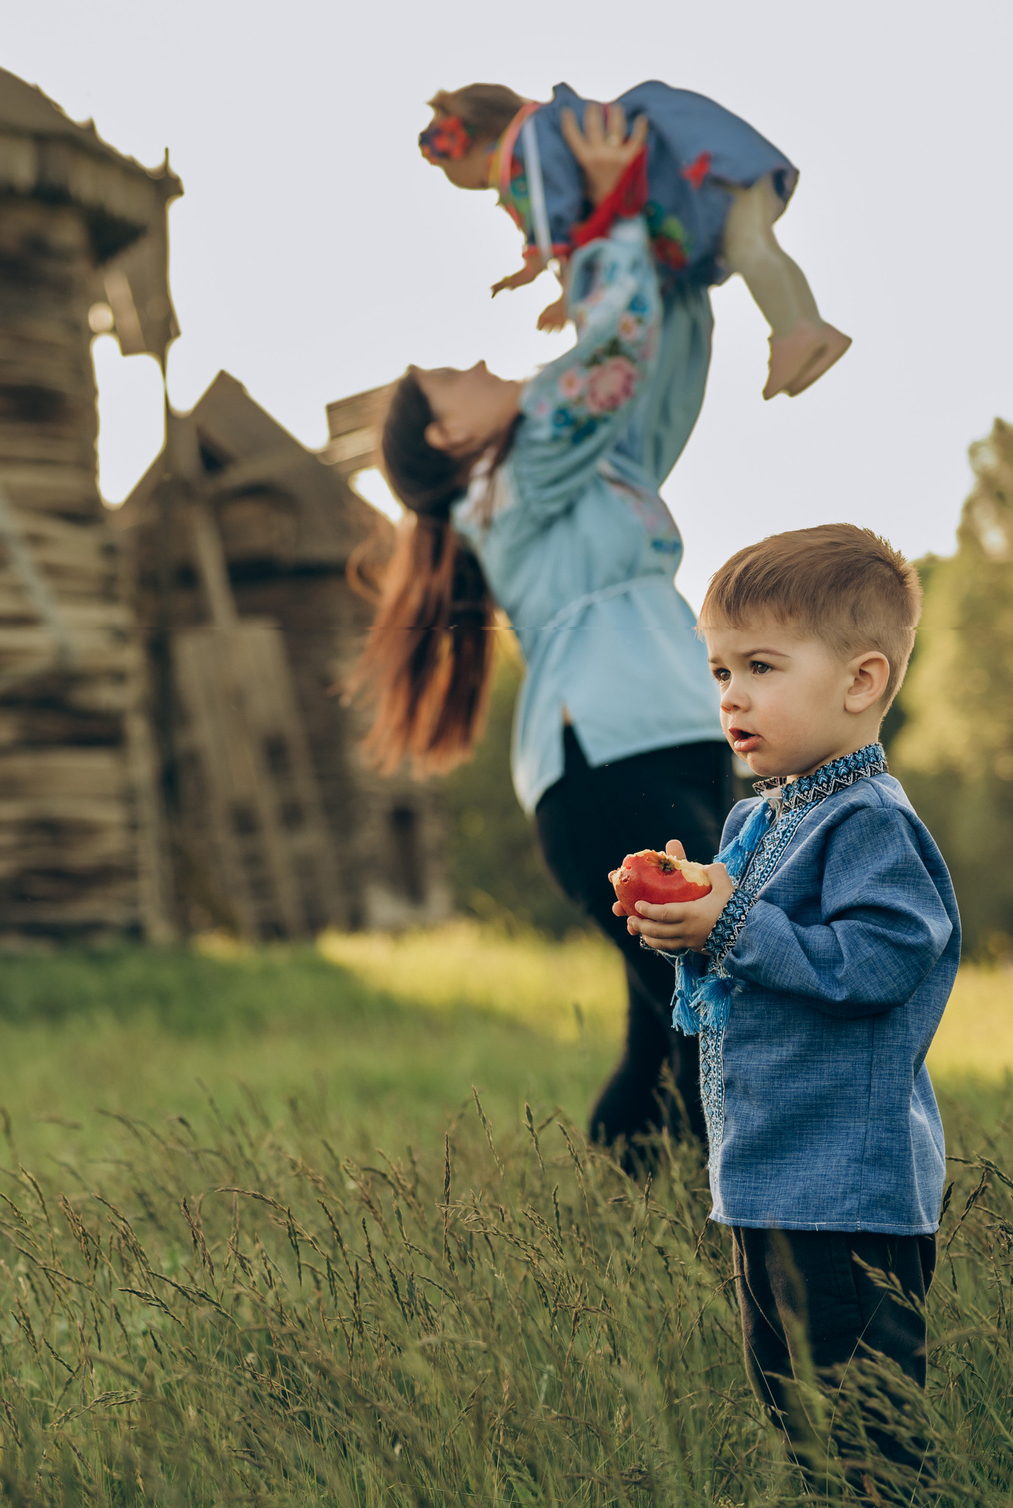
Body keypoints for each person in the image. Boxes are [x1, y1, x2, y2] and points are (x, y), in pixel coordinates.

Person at [348, 105, 727, 1175]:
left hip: (664, 740)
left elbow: (659, 360)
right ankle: (746, 1228)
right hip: (608, 766)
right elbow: (608, 349)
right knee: (709, 993)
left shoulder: (574, 464)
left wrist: (669, 249)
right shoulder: (511, 485)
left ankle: (634, 1183)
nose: (476, 359)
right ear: (450, 437)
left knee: (670, 1015)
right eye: (449, 377)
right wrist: (600, 218)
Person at [617, 524, 958, 1508]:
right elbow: (738, 970)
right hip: (763, 1169)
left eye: (761, 667)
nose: (729, 696)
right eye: (719, 669)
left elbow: (882, 964)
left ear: (861, 681)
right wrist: (686, 920)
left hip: (848, 1182)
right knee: (788, 1389)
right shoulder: (753, 823)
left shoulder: (870, 823)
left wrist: (727, 924)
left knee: (861, 1395)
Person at [422, 82, 852, 399]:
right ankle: (801, 329)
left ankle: (799, 331)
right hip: (696, 159)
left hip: (696, 175)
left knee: (750, 246)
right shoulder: (542, 135)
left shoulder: (530, 143)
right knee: (750, 243)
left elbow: (559, 211)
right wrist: (533, 268)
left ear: (468, 143)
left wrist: (567, 291)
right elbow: (555, 218)